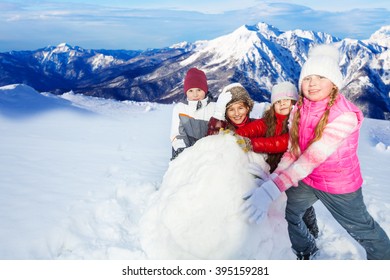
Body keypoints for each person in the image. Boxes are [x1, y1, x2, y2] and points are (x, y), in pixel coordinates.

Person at [242, 44, 390, 260]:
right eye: (308, 78)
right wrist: (272, 180)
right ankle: (306, 251)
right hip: (309, 180)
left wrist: (272, 189)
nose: (312, 84)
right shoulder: (299, 109)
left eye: (321, 77)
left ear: (334, 83)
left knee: (366, 232)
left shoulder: (344, 117)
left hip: (340, 187)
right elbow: (293, 153)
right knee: (291, 212)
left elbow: (311, 159)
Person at [235, 81, 318, 239]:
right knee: (284, 205)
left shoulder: (300, 122)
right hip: (276, 169)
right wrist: (238, 135)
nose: (282, 104)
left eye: (286, 99)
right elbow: (257, 127)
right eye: (278, 101)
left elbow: (282, 143)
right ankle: (286, 234)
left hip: (296, 171)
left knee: (299, 204)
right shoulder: (270, 120)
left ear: (295, 101)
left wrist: (252, 144)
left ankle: (311, 228)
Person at [170, 67, 216, 160]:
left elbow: (219, 133)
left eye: (199, 90)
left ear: (205, 89)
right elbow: (177, 133)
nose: (195, 95)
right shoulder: (180, 108)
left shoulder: (214, 107)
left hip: (209, 154)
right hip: (184, 154)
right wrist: (182, 151)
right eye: (191, 91)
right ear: (186, 92)